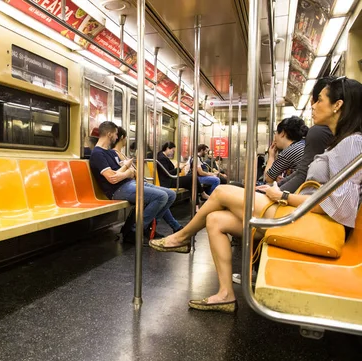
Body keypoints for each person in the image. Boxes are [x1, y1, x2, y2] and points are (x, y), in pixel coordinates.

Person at [149, 77, 362, 313]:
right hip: (303, 215)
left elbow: (340, 206)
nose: (314, 105)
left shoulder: (352, 143)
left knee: (220, 191)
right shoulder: (338, 143)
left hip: (307, 219)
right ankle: (225, 294)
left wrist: (283, 197)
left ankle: (182, 237)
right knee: (215, 220)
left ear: (338, 105)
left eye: (320, 100)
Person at [90, 122, 182, 245]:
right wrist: (128, 172)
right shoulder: (97, 154)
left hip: (129, 183)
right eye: (116, 134)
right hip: (117, 190)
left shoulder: (109, 152)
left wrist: (127, 171)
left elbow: (121, 172)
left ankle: (148, 227)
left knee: (171, 194)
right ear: (109, 134)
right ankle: (135, 231)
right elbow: (112, 178)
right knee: (161, 196)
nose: (117, 137)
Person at [263, 116, 307, 184]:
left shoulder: (290, 151)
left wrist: (271, 156)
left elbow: (268, 178)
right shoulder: (302, 144)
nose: (275, 137)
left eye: (276, 133)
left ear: (282, 133)